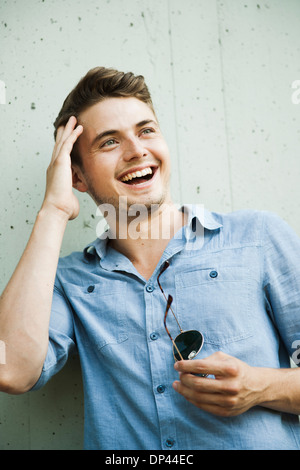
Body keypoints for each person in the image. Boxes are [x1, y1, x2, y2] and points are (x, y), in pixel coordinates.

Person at [1, 66, 300, 450]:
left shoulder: (257, 238)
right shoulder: (67, 282)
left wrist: (261, 387)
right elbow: (10, 370)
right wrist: (54, 210)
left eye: (146, 130)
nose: (137, 150)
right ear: (78, 177)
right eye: (109, 142)